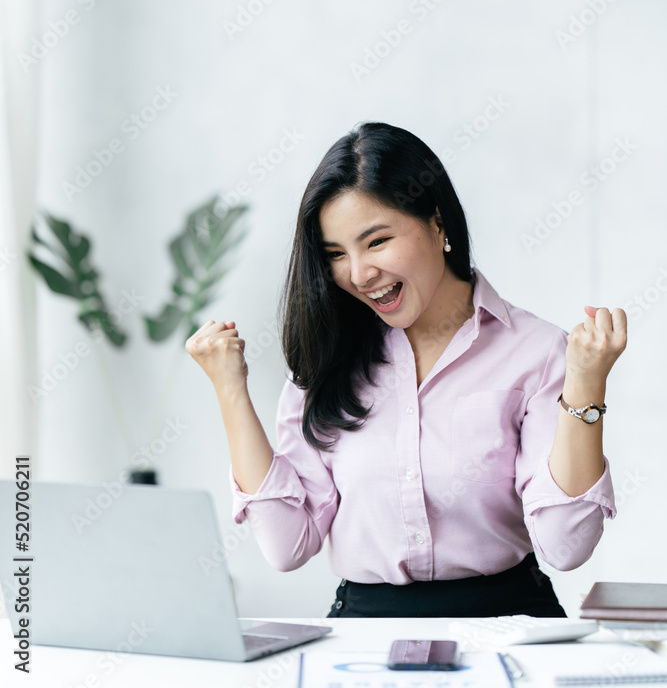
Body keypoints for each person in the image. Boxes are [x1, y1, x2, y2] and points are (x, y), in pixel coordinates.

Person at [186, 121, 626, 618]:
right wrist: (230, 391)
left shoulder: (537, 352)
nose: (357, 274)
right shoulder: (327, 357)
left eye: (375, 242)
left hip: (506, 624)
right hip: (363, 634)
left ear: (437, 223)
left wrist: (587, 383)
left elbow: (566, 547)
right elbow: (287, 546)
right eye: (335, 254)